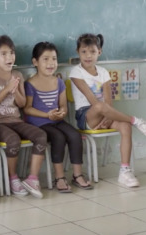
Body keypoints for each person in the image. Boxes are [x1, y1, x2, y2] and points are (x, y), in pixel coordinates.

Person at [69, 33, 146, 188]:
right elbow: (92, 100)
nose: (88, 56)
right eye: (83, 52)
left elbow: (108, 101)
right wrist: (105, 113)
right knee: (100, 106)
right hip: (86, 116)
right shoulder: (76, 72)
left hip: (104, 113)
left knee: (124, 126)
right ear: (78, 52)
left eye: (92, 52)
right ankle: (136, 120)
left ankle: (125, 171)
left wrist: (107, 118)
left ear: (99, 52)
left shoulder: (103, 72)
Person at [0, 35, 47, 198]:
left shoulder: (17, 74)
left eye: (11, 53)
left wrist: (16, 89)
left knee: (41, 136)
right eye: (3, 54)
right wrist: (6, 89)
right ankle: (13, 178)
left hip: (16, 120)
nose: (9, 57)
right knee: (13, 140)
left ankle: (32, 178)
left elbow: (22, 103)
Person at [24, 42, 92, 193]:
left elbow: (63, 106)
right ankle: (59, 178)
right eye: (46, 59)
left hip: (56, 120)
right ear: (35, 62)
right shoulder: (30, 84)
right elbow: (27, 109)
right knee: (58, 137)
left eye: (54, 59)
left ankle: (77, 175)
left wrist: (61, 113)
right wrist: (47, 115)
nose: (51, 63)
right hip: (39, 123)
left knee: (74, 135)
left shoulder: (59, 82)